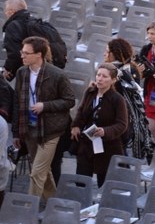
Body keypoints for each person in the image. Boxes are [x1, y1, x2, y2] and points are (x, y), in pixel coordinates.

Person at [11, 36, 75, 200]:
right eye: (22, 52)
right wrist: (17, 132)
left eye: (26, 53)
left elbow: (69, 101)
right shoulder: (21, 72)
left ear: (39, 54)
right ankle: (53, 202)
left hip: (51, 130)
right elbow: (17, 102)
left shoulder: (57, 74)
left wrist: (45, 106)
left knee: (36, 173)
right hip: (29, 128)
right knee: (43, 171)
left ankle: (28, 209)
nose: (22, 56)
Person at [69, 64, 128, 187]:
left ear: (113, 80)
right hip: (87, 145)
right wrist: (75, 126)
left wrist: (105, 131)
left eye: (104, 76)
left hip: (108, 147)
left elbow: (122, 124)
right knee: (81, 181)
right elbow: (81, 111)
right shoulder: (90, 92)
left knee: (104, 184)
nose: (100, 78)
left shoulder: (117, 99)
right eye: (98, 75)